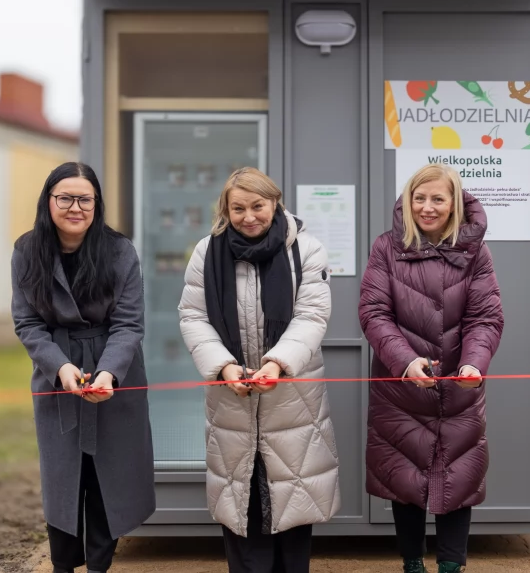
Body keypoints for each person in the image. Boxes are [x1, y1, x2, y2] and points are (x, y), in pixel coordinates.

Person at [178, 167, 341, 573]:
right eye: (238, 208)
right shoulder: (206, 251)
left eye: (258, 206)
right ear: (225, 209)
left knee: (292, 499)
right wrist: (222, 366)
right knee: (241, 502)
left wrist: (278, 362)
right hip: (230, 397)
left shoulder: (305, 249)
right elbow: (193, 316)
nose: (249, 216)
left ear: (275, 203)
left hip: (292, 397)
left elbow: (312, 315)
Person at [11, 162, 156, 573]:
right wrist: (60, 367)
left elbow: (129, 323)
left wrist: (109, 372)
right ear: (49, 201)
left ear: (97, 204)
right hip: (56, 370)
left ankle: (100, 566)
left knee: (109, 474)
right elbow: (28, 322)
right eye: (65, 198)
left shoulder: (119, 250)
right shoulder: (26, 251)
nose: (75, 207)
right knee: (63, 475)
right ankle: (63, 565)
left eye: (85, 199)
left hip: (116, 369)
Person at [359, 163, 504, 573]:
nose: (427, 207)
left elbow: (485, 318)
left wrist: (474, 363)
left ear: (453, 203)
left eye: (437, 198)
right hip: (400, 386)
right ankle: (412, 563)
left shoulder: (476, 251)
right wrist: (405, 361)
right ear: (408, 201)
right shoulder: (386, 247)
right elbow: (373, 312)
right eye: (419, 198)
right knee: (403, 474)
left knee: (458, 475)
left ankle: (451, 565)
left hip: (460, 385)